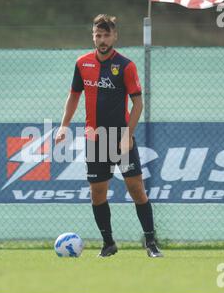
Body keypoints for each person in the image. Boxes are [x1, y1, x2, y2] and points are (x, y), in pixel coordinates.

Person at [55, 14, 163, 258]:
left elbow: (138, 105)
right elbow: (73, 96)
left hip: (120, 138)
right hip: (95, 139)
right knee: (98, 192)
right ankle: (108, 244)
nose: (102, 40)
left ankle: (151, 243)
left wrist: (127, 135)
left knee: (136, 189)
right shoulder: (82, 63)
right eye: (98, 35)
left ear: (115, 36)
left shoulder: (126, 65)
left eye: (106, 35)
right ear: (93, 36)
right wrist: (64, 126)